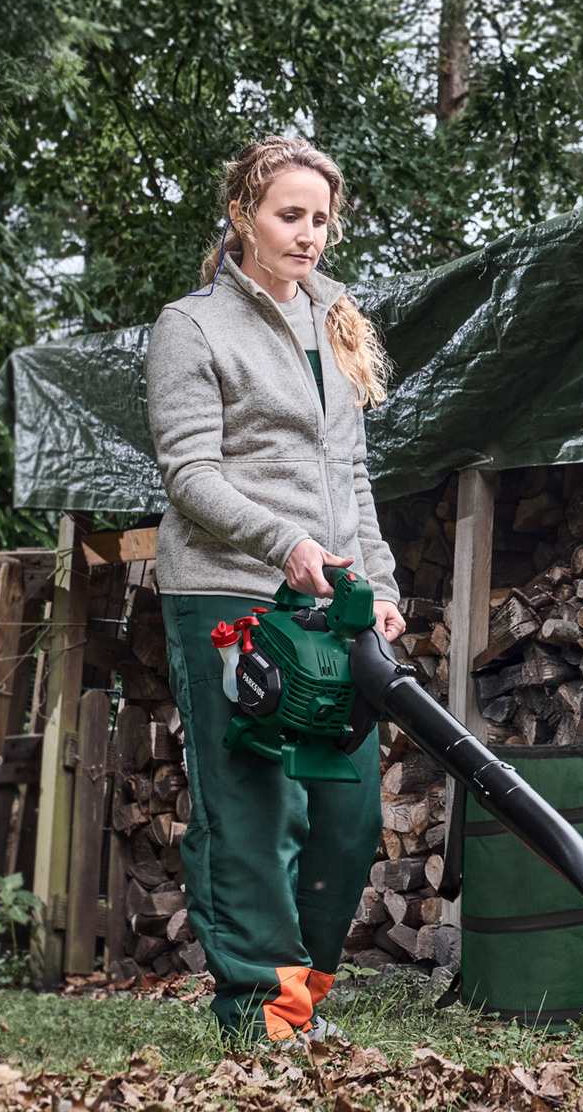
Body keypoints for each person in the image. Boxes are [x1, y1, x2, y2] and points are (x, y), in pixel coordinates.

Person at [145, 134, 407, 1046]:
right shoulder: (194, 326)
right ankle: (264, 1011)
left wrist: (375, 583)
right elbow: (189, 475)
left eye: (321, 219)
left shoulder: (336, 316)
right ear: (242, 219)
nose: (308, 235)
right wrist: (282, 540)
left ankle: (307, 996)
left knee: (347, 806)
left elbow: (353, 474)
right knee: (254, 804)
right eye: (288, 215)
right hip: (230, 594)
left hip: (327, 600)